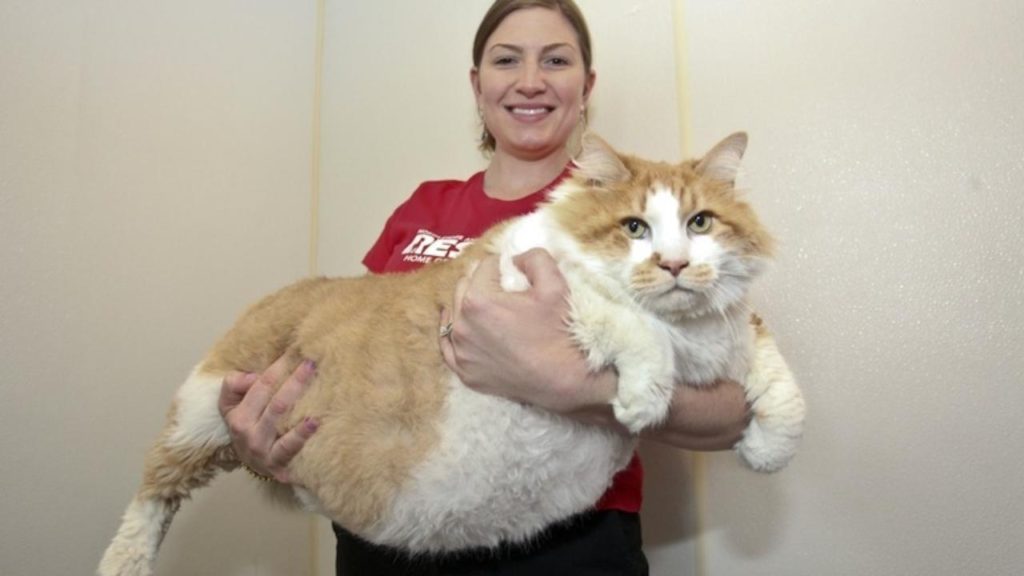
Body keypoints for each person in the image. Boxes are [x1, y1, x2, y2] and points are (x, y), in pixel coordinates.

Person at [218, 1, 751, 574]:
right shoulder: (424, 206)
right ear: (477, 84)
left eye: (555, 60)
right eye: (506, 60)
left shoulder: (640, 222)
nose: (530, 81)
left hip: (561, 546)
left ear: (586, 85)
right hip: (385, 530)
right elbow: (348, 369)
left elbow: (735, 412)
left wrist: (570, 385)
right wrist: (258, 446)